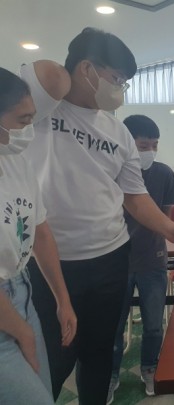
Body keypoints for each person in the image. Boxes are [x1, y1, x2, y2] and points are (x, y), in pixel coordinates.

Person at [21, 28, 174, 404]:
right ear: (86, 69)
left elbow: (134, 196)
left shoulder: (118, 131)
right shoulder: (42, 110)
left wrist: (168, 226)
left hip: (111, 257)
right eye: (117, 78)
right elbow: (48, 73)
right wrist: (78, 58)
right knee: (54, 358)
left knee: (100, 352)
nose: (120, 89)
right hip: (52, 262)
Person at [0, 68, 77, 403]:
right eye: (23, 120)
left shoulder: (16, 162)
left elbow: (41, 233)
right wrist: (22, 332)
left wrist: (63, 299)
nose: (29, 129)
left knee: (43, 390)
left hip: (22, 290)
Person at [108, 115, 174, 403]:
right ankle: (111, 374)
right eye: (143, 145)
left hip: (153, 260)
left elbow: (166, 220)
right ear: (127, 143)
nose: (150, 151)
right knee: (113, 326)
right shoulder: (110, 172)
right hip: (117, 262)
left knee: (153, 324)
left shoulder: (164, 174)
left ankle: (150, 368)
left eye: (154, 145)